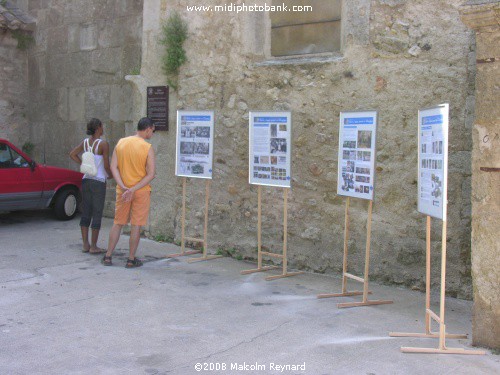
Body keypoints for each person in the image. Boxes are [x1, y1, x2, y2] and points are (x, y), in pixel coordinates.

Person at [102, 117, 156, 268]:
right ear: (147, 129)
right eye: (153, 130)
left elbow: (114, 167)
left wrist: (124, 187)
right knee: (136, 225)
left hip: (123, 190)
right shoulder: (147, 147)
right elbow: (151, 174)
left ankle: (108, 256)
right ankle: (131, 259)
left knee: (118, 223)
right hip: (140, 191)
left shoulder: (121, 143)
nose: (153, 133)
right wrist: (133, 189)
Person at [70, 118, 112, 254]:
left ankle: (85, 244)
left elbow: (72, 154)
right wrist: (110, 175)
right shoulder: (103, 144)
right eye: (102, 126)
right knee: (97, 212)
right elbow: (106, 165)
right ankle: (94, 246)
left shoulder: (85, 142)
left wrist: (84, 164)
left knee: (86, 211)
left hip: (86, 179)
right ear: (98, 128)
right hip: (98, 181)